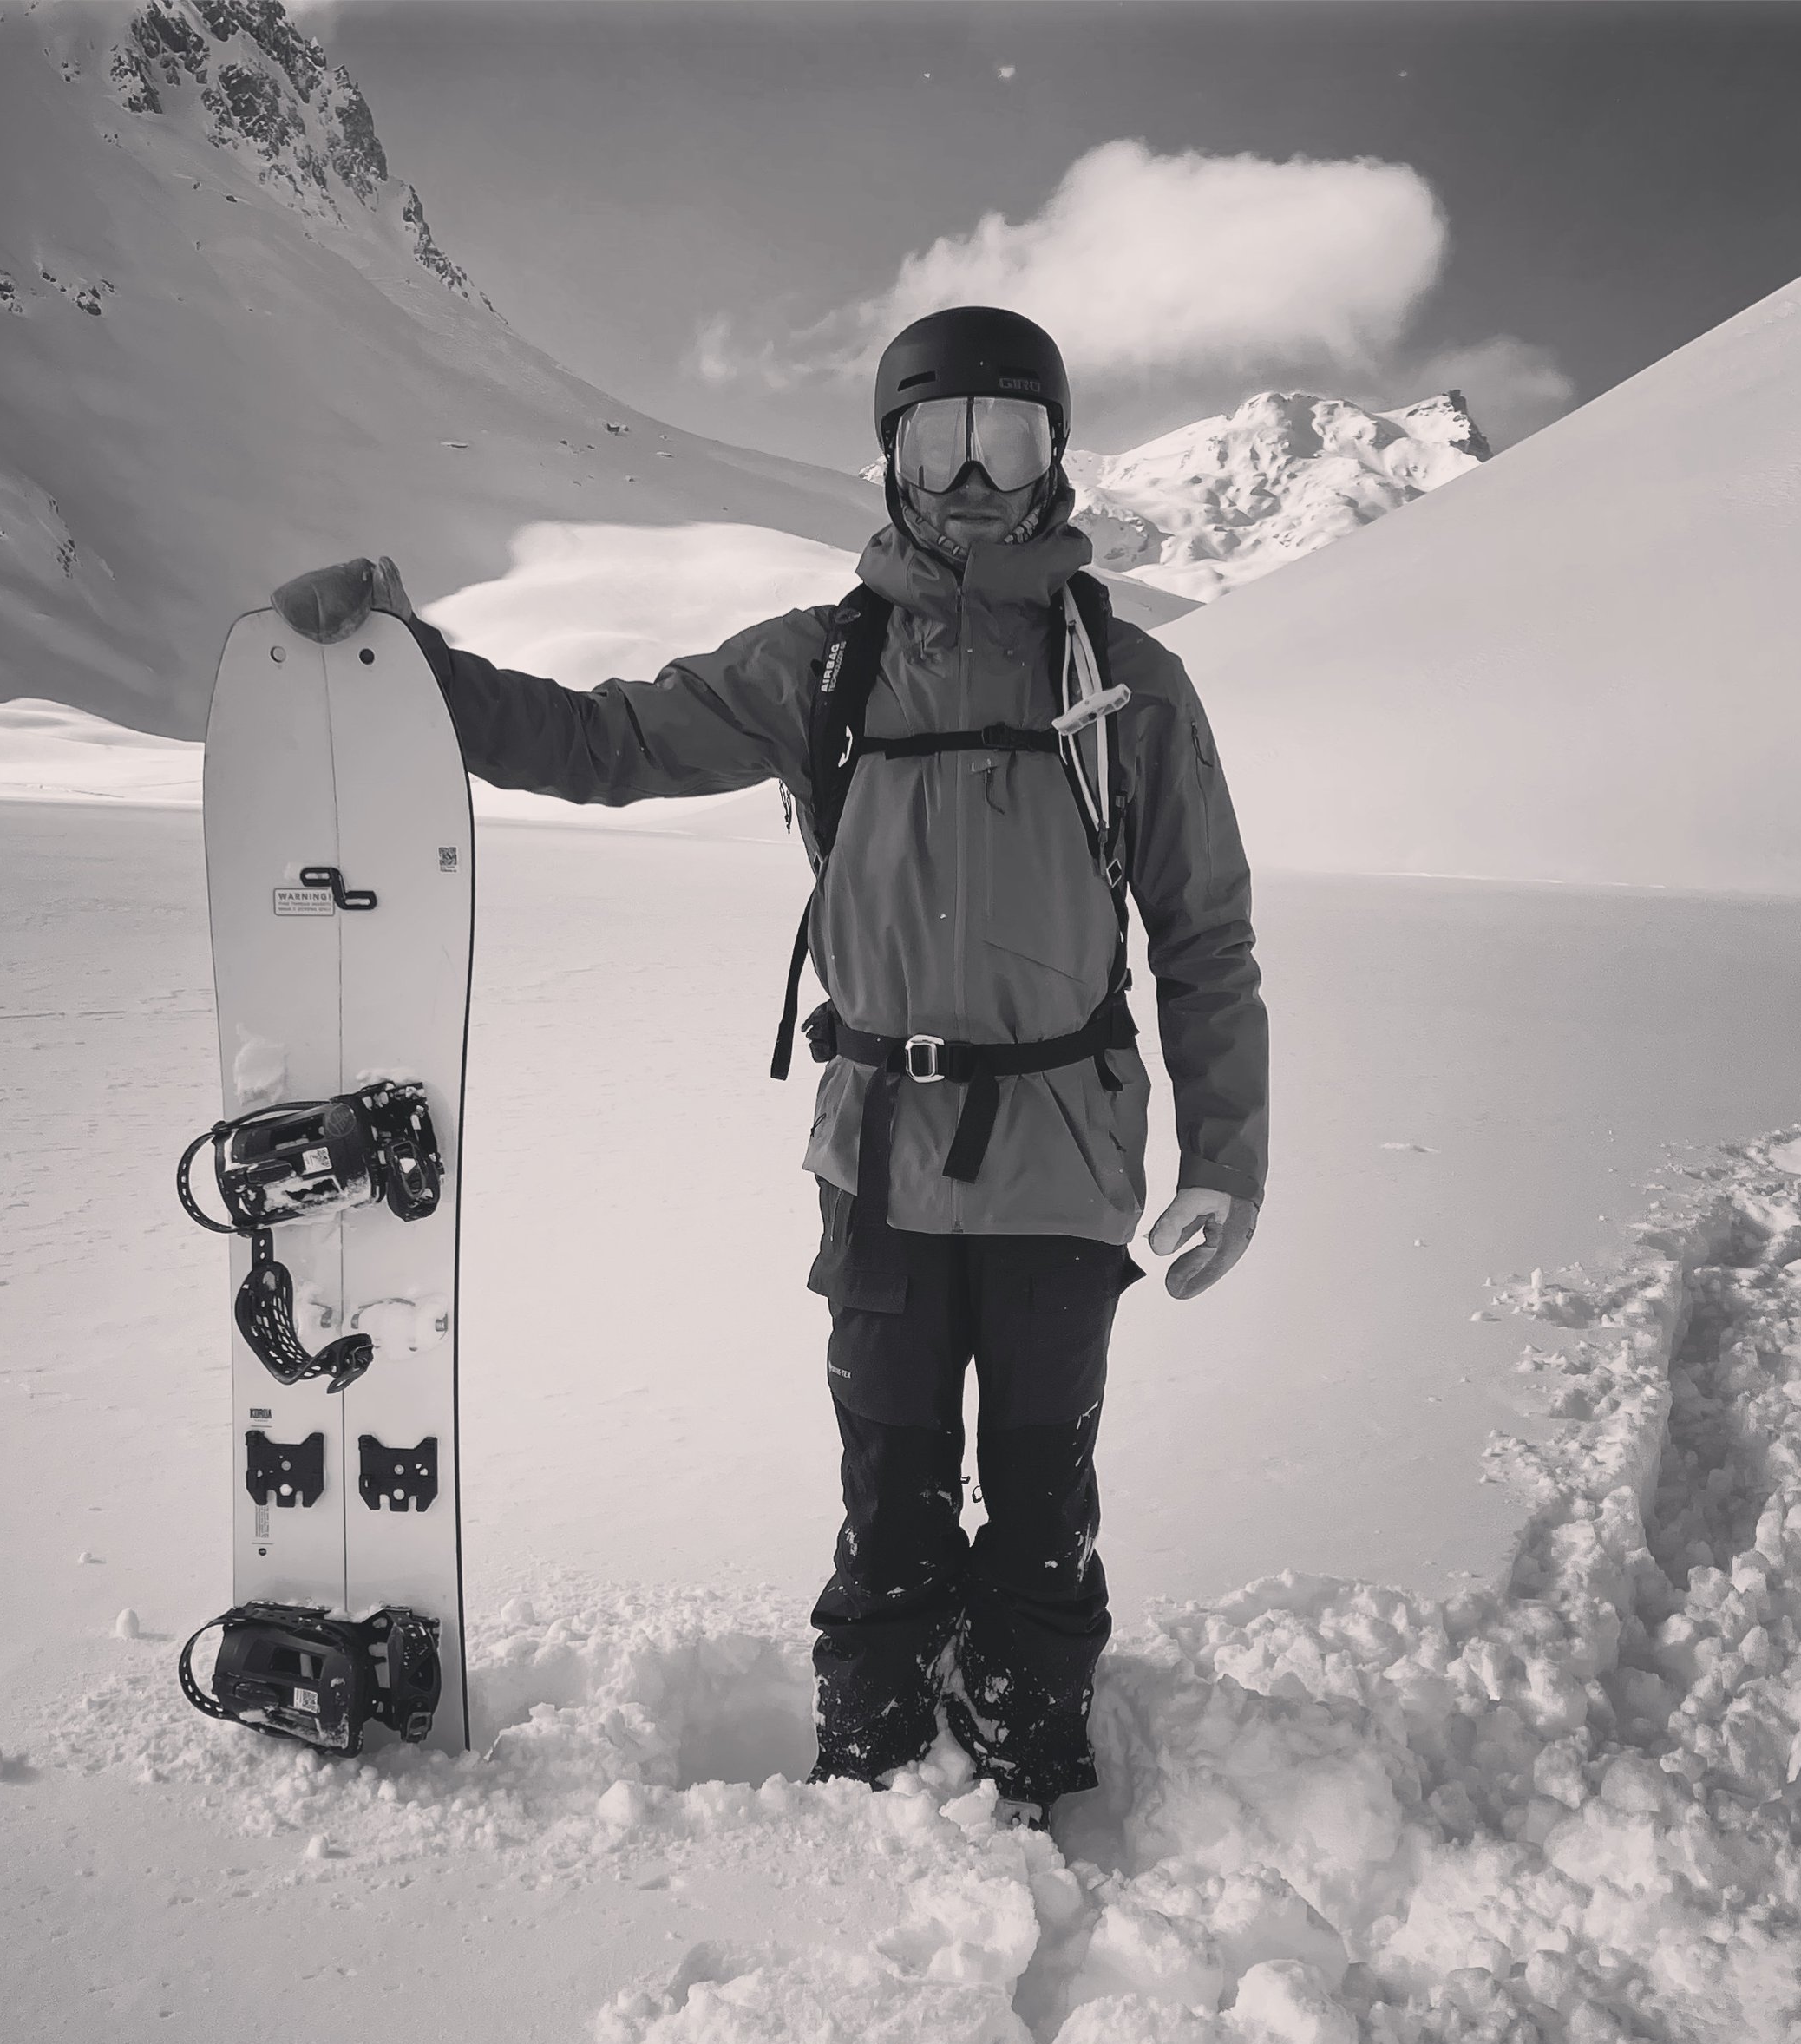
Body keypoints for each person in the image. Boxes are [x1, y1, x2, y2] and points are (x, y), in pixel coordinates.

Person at [272, 306, 1267, 1827]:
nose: (975, 476)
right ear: (891, 461)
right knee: (891, 1493)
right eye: (941, 440)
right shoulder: (824, 666)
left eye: (1010, 437)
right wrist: (420, 669)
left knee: (1043, 1499)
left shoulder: (1128, 685)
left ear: (1057, 459)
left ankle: (1035, 1758)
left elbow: (1205, 939)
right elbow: (601, 741)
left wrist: (1227, 1162)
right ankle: (868, 1767)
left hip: (1067, 1159)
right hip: (878, 1154)